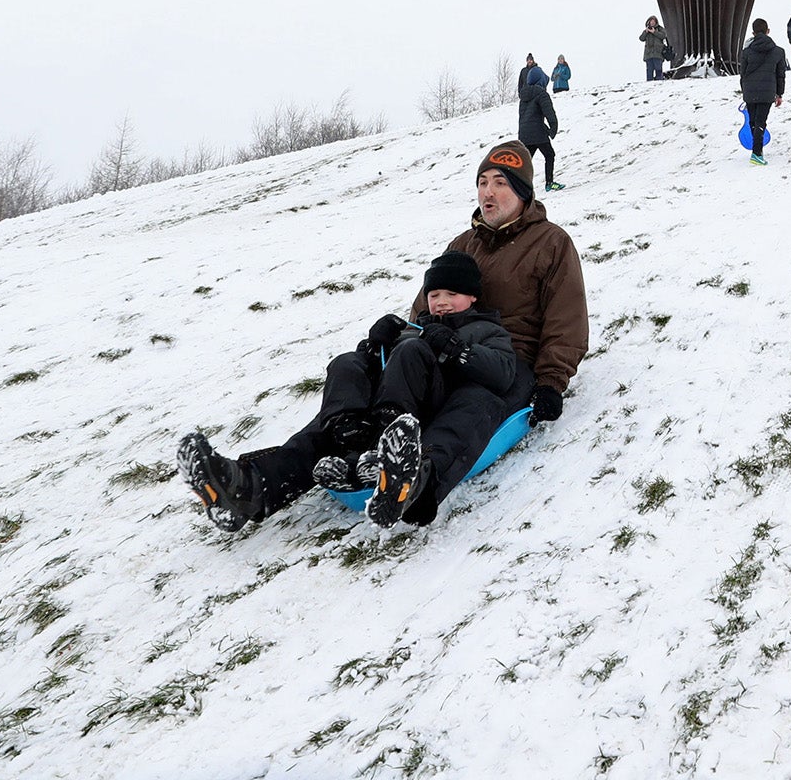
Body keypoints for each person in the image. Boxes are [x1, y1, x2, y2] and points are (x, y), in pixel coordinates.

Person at [174, 141, 587, 532]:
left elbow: (566, 320)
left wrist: (551, 382)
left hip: (505, 361)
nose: (488, 193)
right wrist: (397, 339)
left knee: (471, 406)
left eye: (500, 183)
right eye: (482, 182)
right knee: (354, 402)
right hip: (441, 350)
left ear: (521, 191)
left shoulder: (551, 243)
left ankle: (416, 484)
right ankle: (251, 487)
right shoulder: (464, 243)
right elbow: (424, 308)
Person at [177, 248, 534, 533]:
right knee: (346, 363)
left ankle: (398, 471)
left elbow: (502, 372)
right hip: (383, 413)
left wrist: (456, 348)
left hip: (429, 410)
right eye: (434, 294)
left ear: (472, 297)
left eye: (451, 294)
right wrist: (372, 346)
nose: (441, 301)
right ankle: (247, 489)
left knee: (414, 356)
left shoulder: (485, 330)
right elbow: (380, 366)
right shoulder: (414, 329)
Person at [739, 17, 788, 165]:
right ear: (768, 31)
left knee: (754, 121)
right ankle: (757, 153)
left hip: (750, 91)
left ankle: (757, 151)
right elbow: (780, 75)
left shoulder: (746, 52)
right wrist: (779, 94)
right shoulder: (779, 52)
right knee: (761, 121)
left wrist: (744, 92)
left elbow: (743, 74)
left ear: (753, 33)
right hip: (767, 92)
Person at [519, 67, 564, 191]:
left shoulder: (523, 97)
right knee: (549, 155)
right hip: (538, 133)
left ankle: (520, 187)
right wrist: (553, 128)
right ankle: (549, 183)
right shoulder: (541, 94)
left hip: (525, 134)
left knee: (525, 161)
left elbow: (525, 117)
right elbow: (549, 113)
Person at [640, 16, 668, 81]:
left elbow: (663, 36)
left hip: (658, 54)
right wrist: (646, 32)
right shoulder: (646, 30)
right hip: (648, 54)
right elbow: (641, 38)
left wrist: (654, 32)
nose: (652, 23)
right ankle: (649, 84)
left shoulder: (660, 29)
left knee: (658, 69)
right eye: (651, 21)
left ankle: (659, 82)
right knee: (649, 71)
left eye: (653, 21)